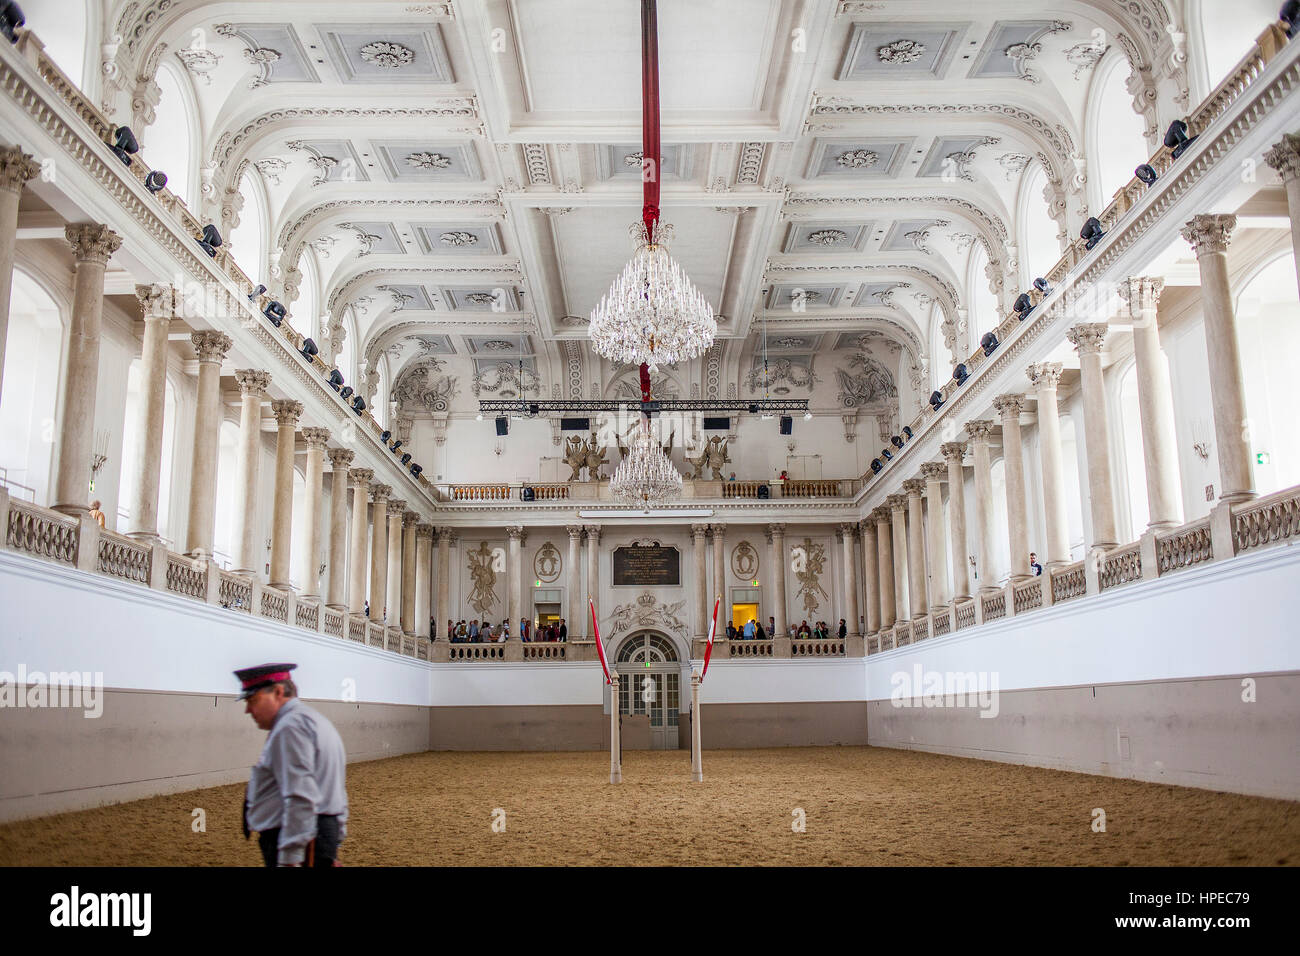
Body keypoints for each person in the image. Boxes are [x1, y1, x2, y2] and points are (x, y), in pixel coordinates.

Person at [236, 663, 348, 867]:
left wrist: (289, 859)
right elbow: (337, 790)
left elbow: (300, 796)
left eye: (253, 700)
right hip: (318, 837)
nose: (248, 710)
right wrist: (333, 845)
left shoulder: (290, 728)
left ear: (278, 692)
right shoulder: (315, 721)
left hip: (298, 840)